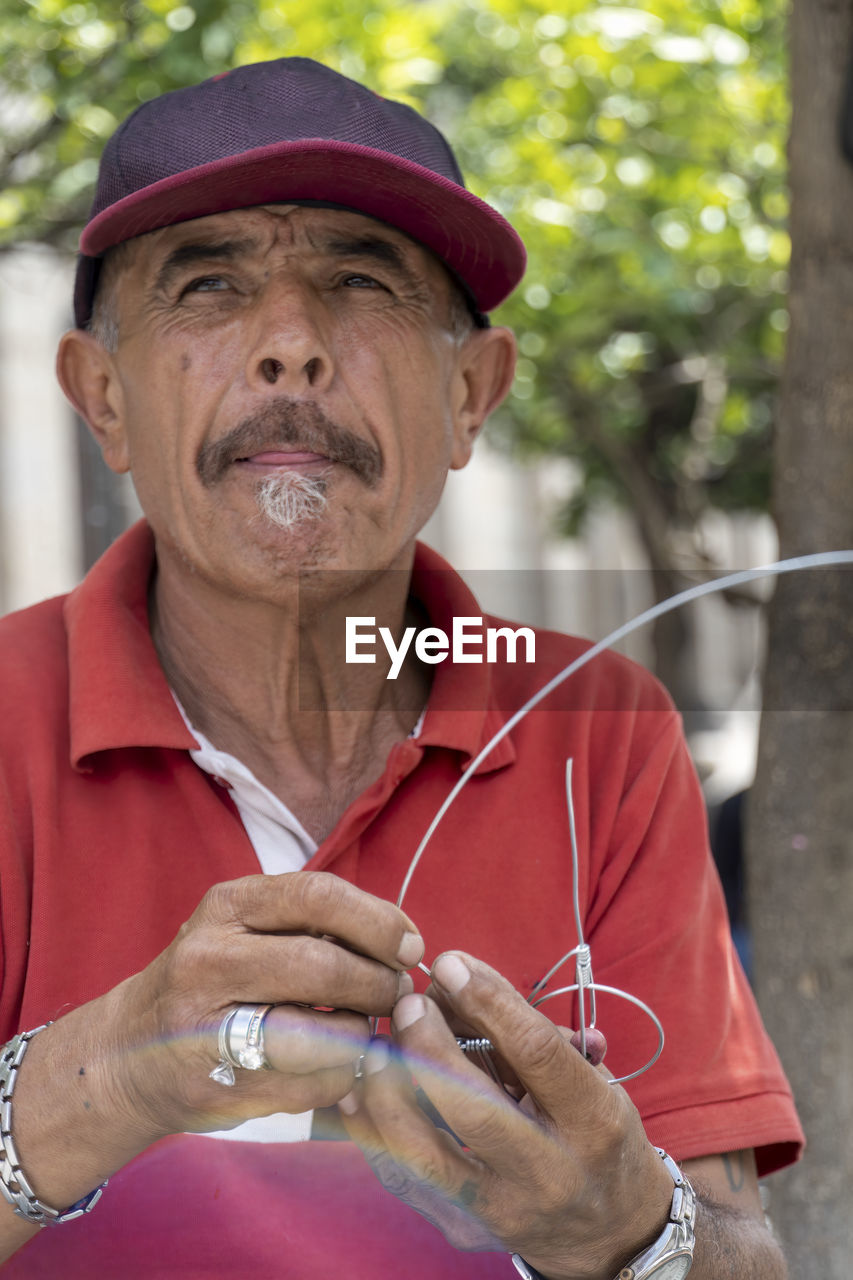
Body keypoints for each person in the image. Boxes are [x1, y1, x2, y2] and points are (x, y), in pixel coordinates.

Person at [0, 57, 802, 1278]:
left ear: (472, 395)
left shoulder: (599, 728)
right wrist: (110, 1071)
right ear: (100, 397)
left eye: (359, 281)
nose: (289, 346)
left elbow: (744, 1256)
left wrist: (625, 1226)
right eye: (208, 285)